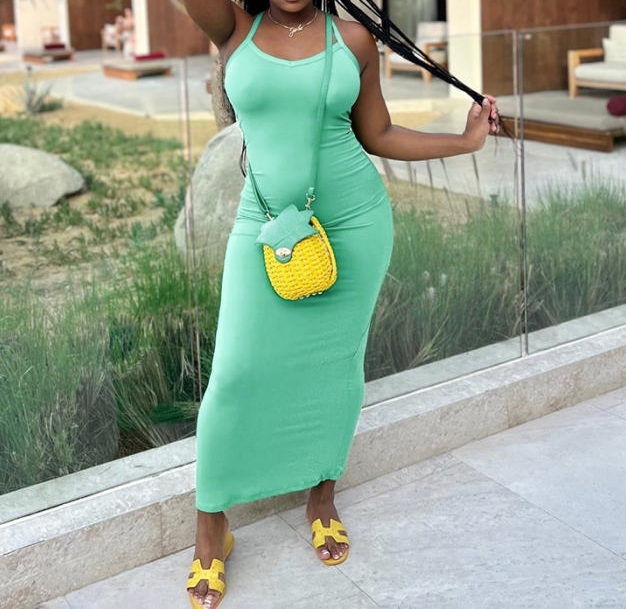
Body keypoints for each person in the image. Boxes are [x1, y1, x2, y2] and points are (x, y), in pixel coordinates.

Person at [182, 1, 498, 607]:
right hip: (265, 228)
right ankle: (210, 527)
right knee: (235, 374)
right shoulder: (234, 28)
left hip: (354, 224)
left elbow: (377, 134)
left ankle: (322, 498)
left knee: (334, 367)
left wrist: (464, 141)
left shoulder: (352, 40)